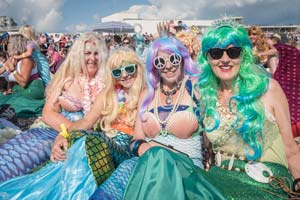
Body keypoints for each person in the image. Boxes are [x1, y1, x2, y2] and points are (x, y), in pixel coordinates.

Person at [0, 48, 146, 199]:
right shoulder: (109, 94)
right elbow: (87, 121)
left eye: (129, 69)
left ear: (138, 68)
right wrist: (63, 136)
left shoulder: (148, 93)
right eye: (117, 72)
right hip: (106, 142)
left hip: (126, 149)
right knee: (75, 145)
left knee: (89, 139)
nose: (124, 75)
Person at [90, 36, 224, 200]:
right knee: (124, 170)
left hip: (185, 169)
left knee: (157, 166)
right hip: (149, 164)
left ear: (182, 59)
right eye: (160, 62)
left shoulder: (195, 87)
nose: (168, 66)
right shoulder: (147, 95)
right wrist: (148, 148)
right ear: (154, 66)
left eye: (173, 59)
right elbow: (136, 139)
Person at [194, 19, 300, 199]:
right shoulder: (205, 95)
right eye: (216, 53)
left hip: (264, 182)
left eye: (233, 52)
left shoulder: (268, 89)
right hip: (218, 179)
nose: (225, 60)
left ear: (244, 56)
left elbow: (291, 150)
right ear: (208, 58)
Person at [0, 33, 107, 182]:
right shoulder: (66, 77)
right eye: (87, 53)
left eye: (97, 54)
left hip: (88, 140)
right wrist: (70, 132)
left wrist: (75, 136)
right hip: (52, 131)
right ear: (78, 55)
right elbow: (48, 113)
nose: (93, 58)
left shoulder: (107, 81)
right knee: (14, 159)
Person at [0, 34, 45, 118]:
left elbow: (23, 82)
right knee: (3, 102)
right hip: (21, 90)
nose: (7, 45)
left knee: (12, 108)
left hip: (32, 88)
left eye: (9, 43)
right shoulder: (12, 59)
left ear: (15, 44)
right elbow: (1, 71)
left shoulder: (26, 60)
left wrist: (13, 70)